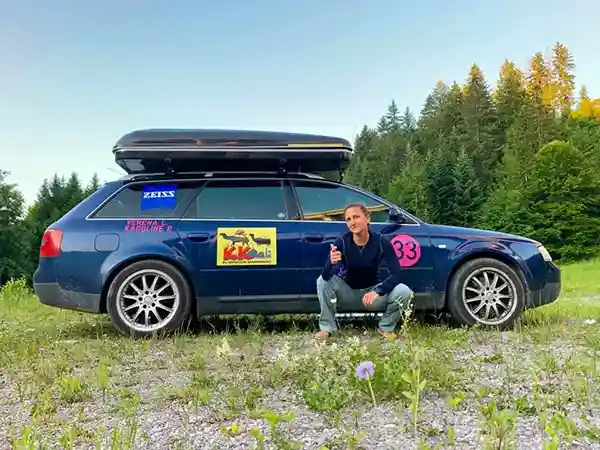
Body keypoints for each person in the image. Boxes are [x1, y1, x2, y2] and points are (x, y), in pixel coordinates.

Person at [314, 203, 414, 340]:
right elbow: (325, 277)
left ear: (367, 218)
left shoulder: (381, 241)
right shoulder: (341, 242)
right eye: (348, 219)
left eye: (356, 217)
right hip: (347, 293)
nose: (352, 222)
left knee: (404, 291)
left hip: (371, 296)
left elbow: (396, 274)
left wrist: (378, 291)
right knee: (321, 281)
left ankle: (385, 327)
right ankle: (327, 328)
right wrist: (330, 263)